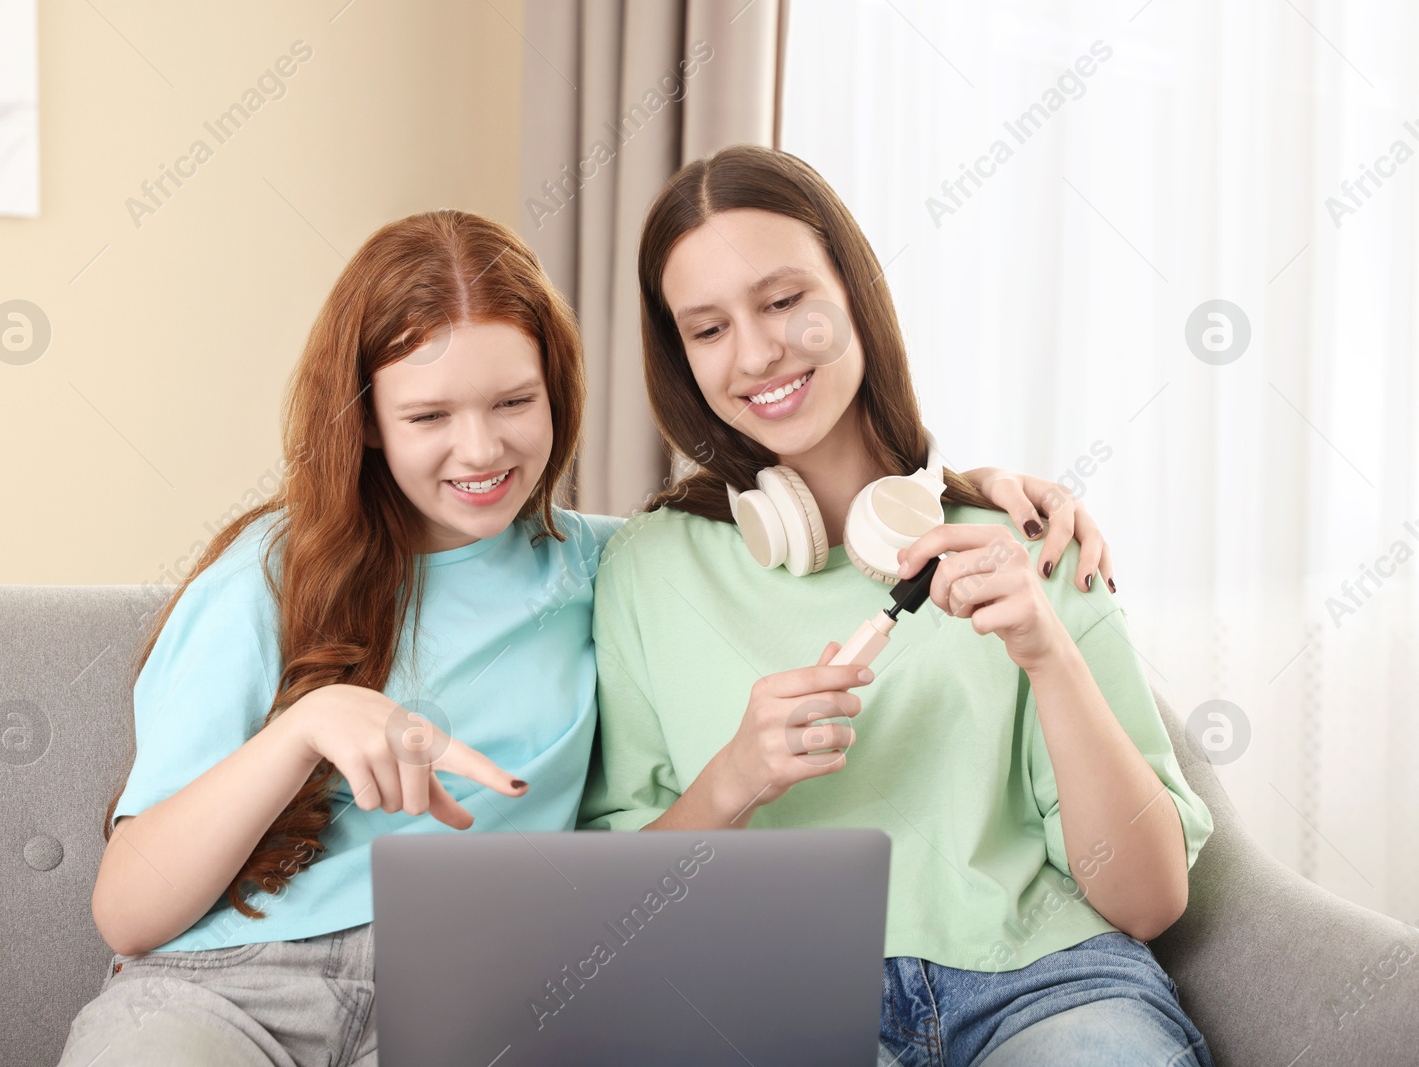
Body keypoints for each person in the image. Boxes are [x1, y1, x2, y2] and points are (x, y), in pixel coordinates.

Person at [57, 207, 1113, 1067]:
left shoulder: (612, 567)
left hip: (479, 1005)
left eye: (515, 401)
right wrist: (307, 726)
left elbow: (824, 528)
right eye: (428, 416)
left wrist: (983, 494)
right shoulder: (268, 572)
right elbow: (129, 911)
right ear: (367, 419)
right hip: (231, 996)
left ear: (560, 395)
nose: (481, 449)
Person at [579, 144, 1214, 1067]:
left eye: (785, 300)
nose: (756, 353)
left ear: (854, 292)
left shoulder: (1022, 539)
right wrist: (733, 779)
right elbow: (615, 918)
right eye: (707, 328)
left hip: (1045, 986)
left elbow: (1149, 902)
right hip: (777, 1009)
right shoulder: (642, 567)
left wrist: (1048, 650)